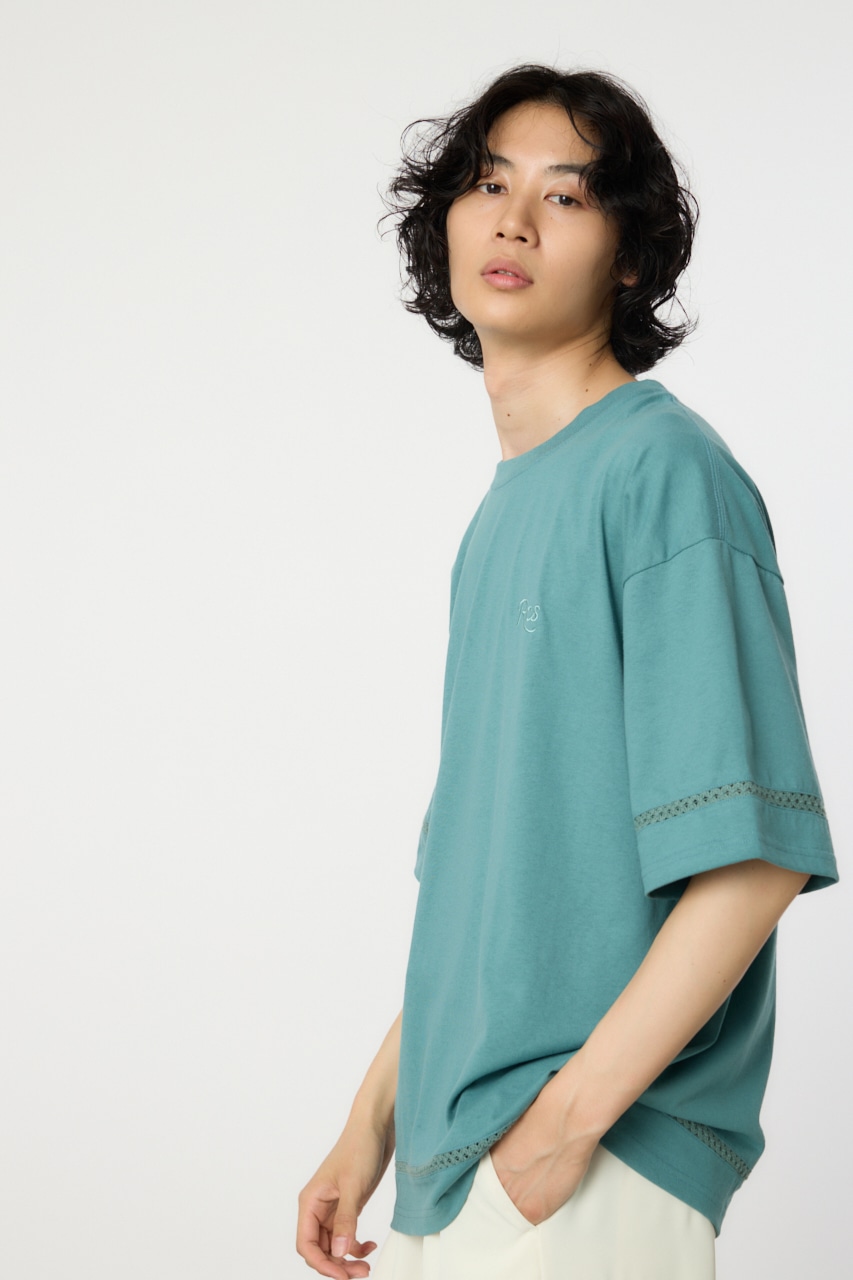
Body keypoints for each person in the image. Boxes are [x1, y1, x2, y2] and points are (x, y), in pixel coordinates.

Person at [295, 63, 839, 1280]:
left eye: (567, 196)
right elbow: (500, 894)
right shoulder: (502, 515)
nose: (514, 221)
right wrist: (370, 1125)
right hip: (460, 1169)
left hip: (586, 1167)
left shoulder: (663, 473)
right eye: (489, 185)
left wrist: (562, 1131)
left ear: (630, 256)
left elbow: (753, 855)